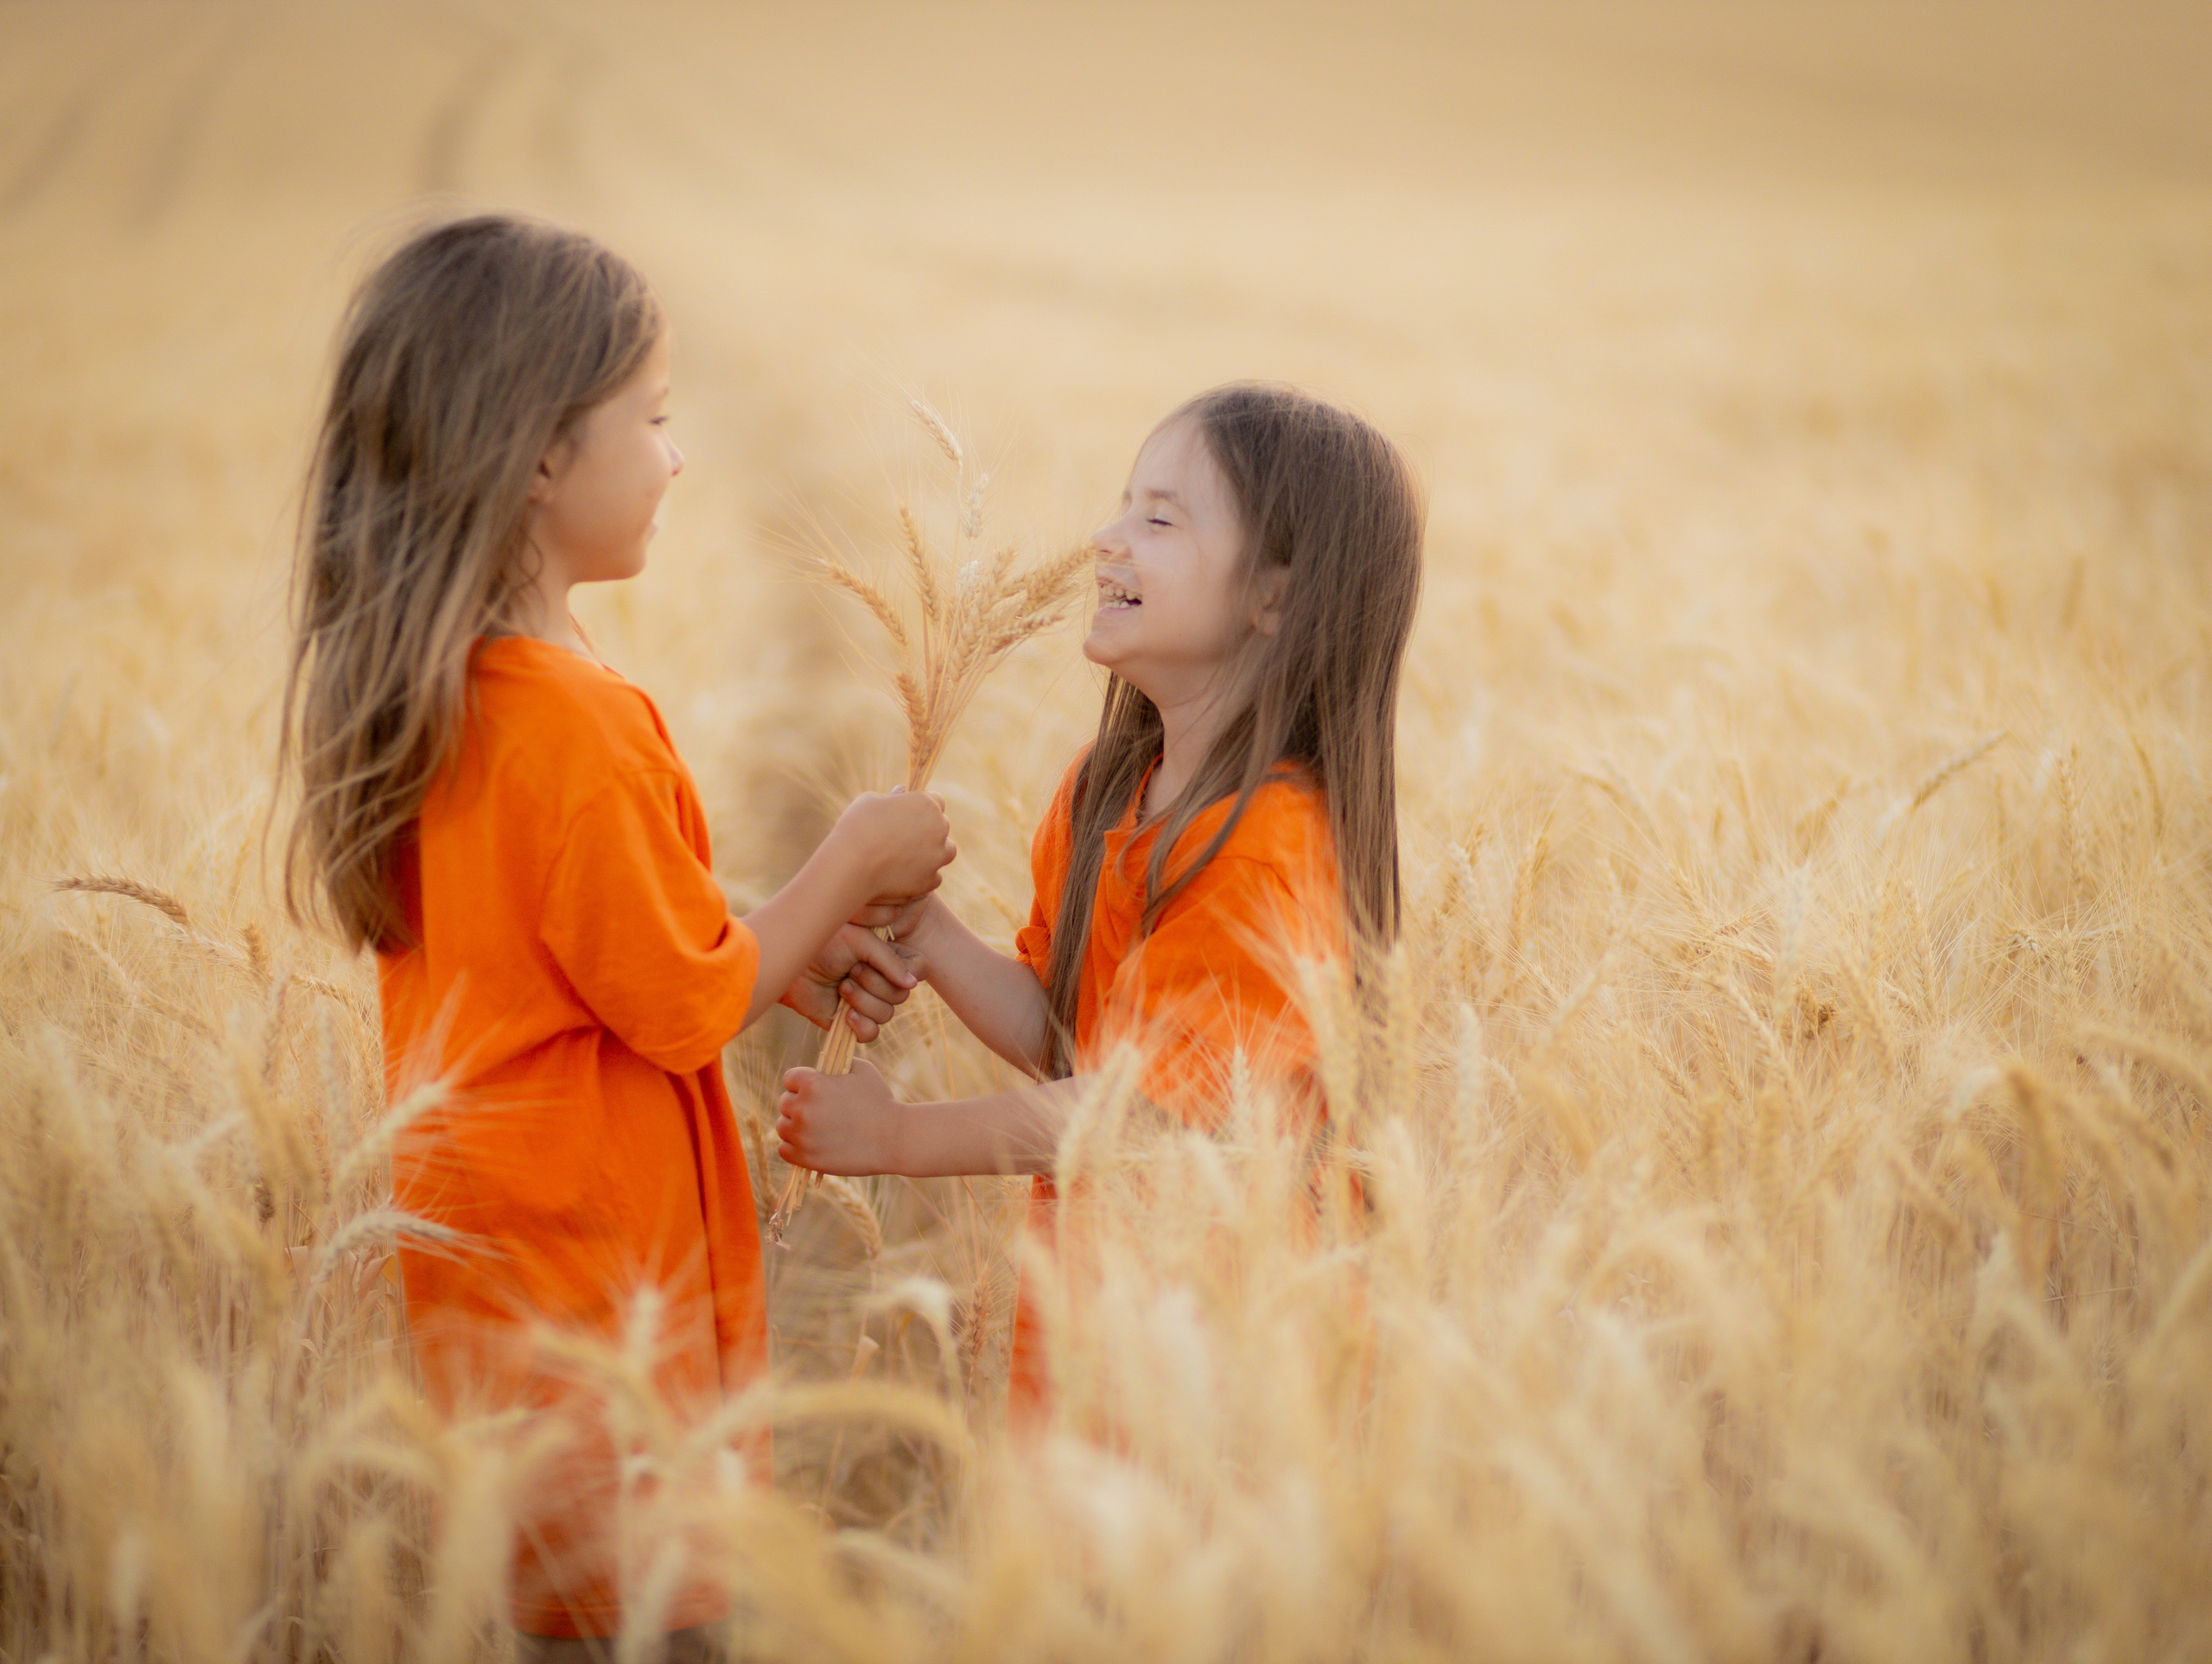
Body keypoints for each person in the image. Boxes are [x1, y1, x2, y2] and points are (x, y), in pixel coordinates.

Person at [276, 213, 952, 1657]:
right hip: (600, 1305)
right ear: (535, 455)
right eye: (649, 417)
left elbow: (587, 936)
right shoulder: (572, 720)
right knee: (632, 1618)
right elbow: (685, 1005)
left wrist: (769, 926)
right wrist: (848, 864)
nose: (679, 453)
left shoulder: (459, 695)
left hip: (497, 1290)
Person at [774, 382, 1423, 1417]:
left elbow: (1141, 1116)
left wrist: (897, 1140)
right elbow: (1070, 1040)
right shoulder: (1106, 789)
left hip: (1227, 1363)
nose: (1105, 539)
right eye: (1123, 505)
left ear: (1274, 597)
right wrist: (929, 932)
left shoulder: (1266, 847)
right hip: (1096, 1331)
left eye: (1158, 519)